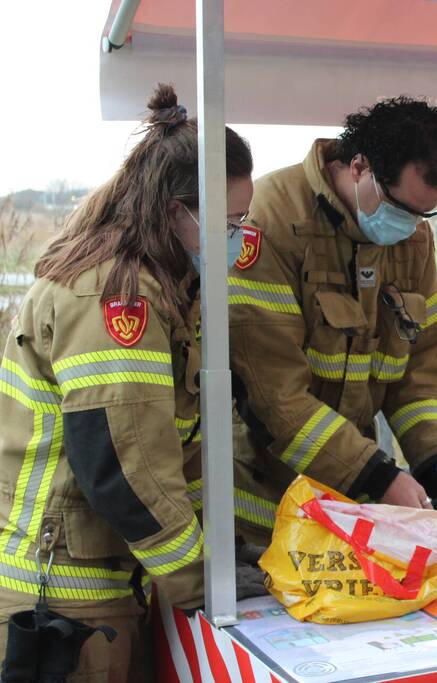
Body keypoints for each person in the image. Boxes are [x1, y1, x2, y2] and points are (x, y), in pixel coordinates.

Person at [0, 84, 253, 681]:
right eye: (228, 223)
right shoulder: (119, 297)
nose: (238, 238)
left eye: (244, 221)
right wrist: (204, 584)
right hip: (65, 597)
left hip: (97, 582)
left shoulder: (153, 285)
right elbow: (124, 464)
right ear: (175, 212)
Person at [229, 97, 437, 544]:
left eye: (425, 213)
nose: (412, 225)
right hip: (262, 511)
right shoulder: (270, 219)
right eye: (401, 209)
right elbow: (272, 393)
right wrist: (376, 475)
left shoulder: (413, 241)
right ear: (359, 166)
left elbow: (420, 378)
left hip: (350, 507)